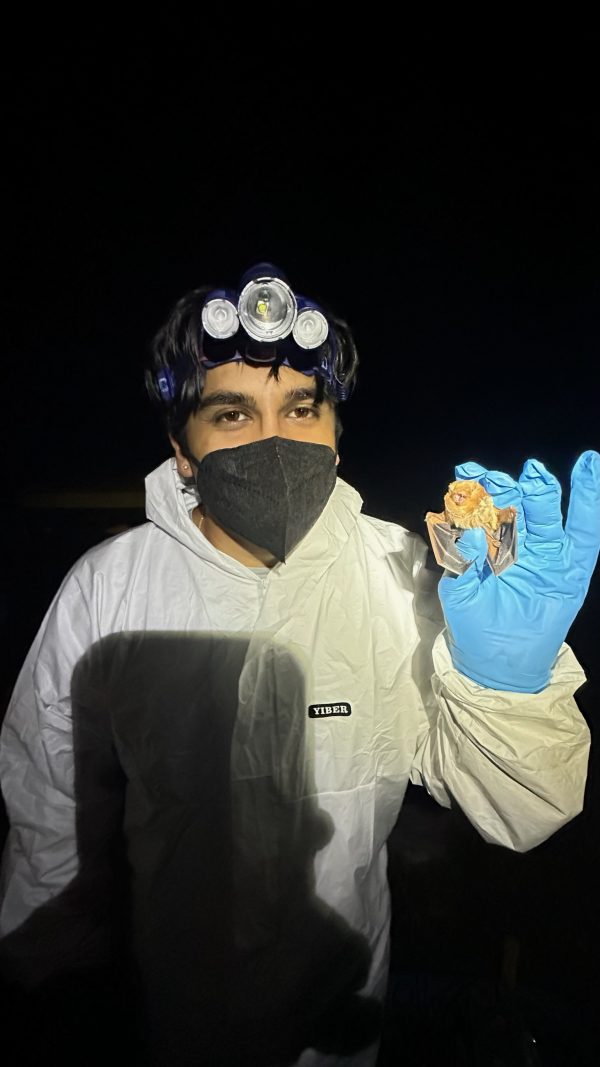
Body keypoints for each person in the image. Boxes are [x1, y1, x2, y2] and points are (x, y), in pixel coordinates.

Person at [0, 263, 598, 1066]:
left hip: (345, 1027)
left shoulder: (405, 574)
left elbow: (522, 812)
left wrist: (505, 677)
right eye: (233, 412)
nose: (275, 440)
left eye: (302, 406)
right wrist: (54, 981)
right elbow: (51, 811)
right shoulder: (108, 590)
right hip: (170, 1023)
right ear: (181, 448)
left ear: (336, 429)